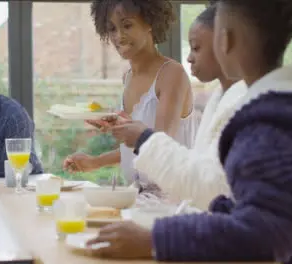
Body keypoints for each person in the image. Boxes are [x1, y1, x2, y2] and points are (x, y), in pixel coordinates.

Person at [85, 0, 292, 263]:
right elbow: (271, 207)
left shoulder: (268, 128)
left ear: (225, 39)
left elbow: (265, 234)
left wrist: (154, 239)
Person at [104, 5, 247, 210]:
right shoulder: (218, 99)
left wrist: (140, 136)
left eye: (196, 48)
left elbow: (210, 184)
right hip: (146, 197)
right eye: (112, 29)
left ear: (224, 44)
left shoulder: (237, 104)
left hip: (167, 201)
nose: (189, 57)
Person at [63, 0, 197, 194]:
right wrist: (95, 161)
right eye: (112, 29)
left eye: (127, 25)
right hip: (138, 196)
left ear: (149, 22)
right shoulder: (128, 78)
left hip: (172, 200)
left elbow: (161, 146)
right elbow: (135, 145)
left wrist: (125, 128)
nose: (119, 36)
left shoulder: (171, 74)